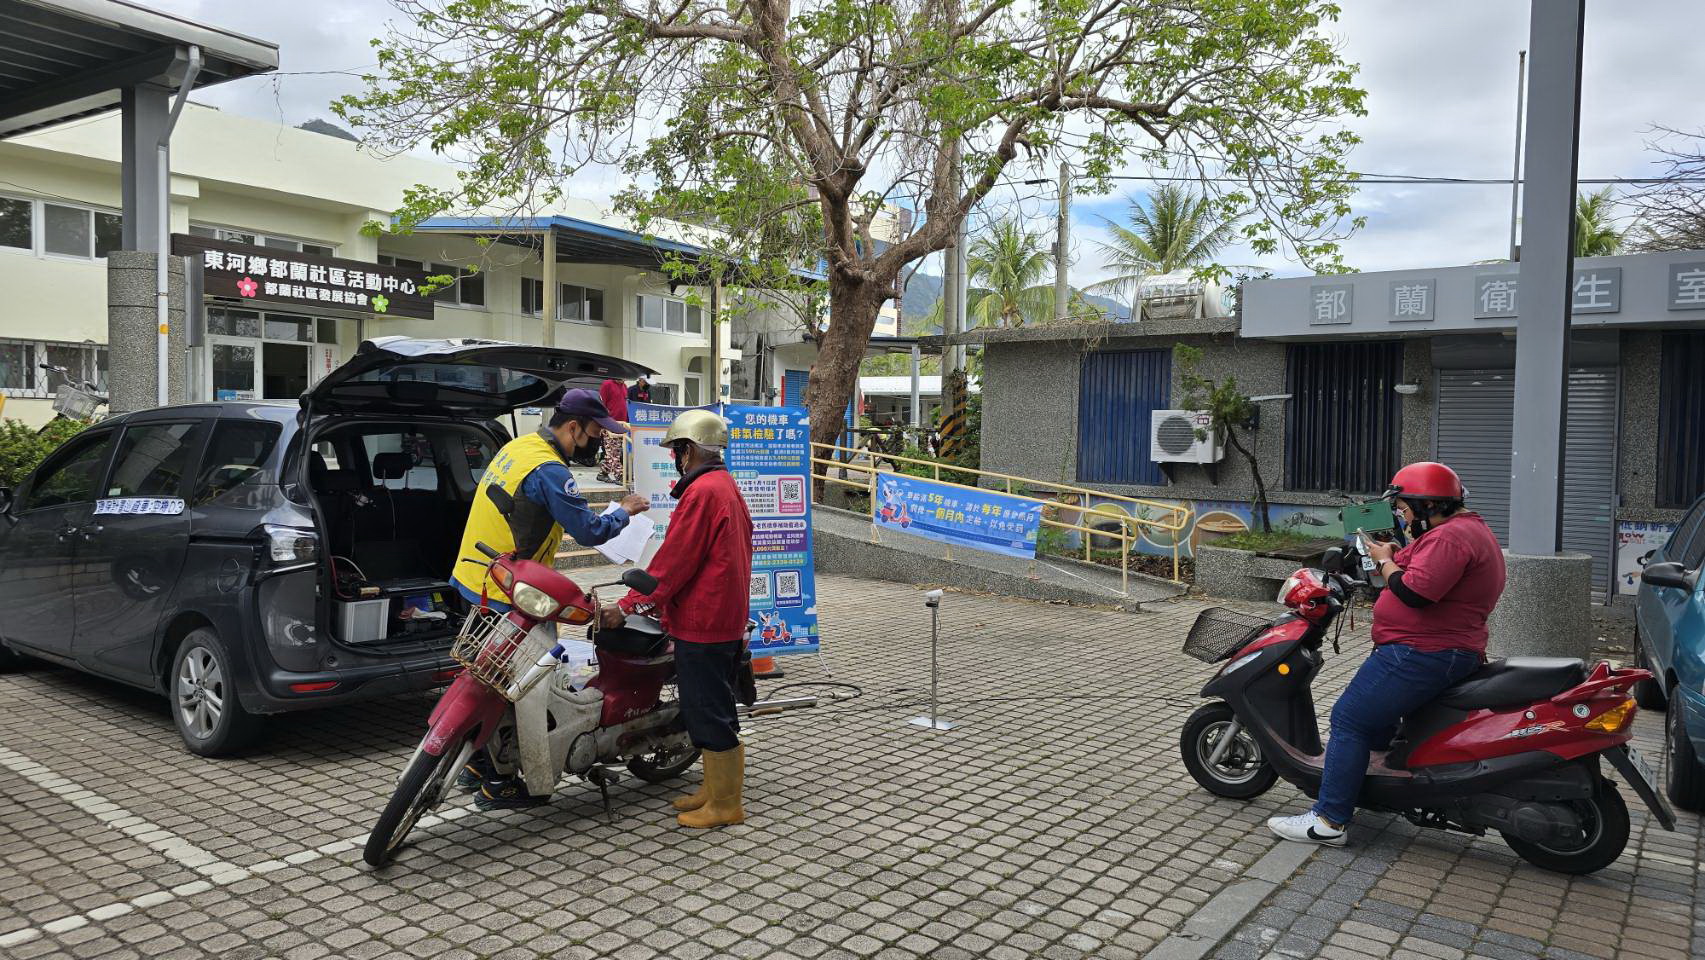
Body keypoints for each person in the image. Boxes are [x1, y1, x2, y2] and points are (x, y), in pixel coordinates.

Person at [1268, 461, 1505, 846]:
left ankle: (1328, 820)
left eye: (1405, 509)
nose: (1402, 517)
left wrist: (1384, 559)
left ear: (1428, 505)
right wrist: (1396, 554)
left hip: (1421, 652)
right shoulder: (1462, 531)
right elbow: (1424, 573)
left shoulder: (1450, 537)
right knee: (1376, 723)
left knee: (1350, 718)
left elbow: (1415, 593)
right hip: (1436, 648)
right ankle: (1371, 789)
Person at [452, 388, 649, 808]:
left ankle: (476, 765)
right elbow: (589, 531)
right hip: (510, 592)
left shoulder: (519, 447)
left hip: (476, 576)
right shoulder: (549, 469)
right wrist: (624, 511)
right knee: (518, 685)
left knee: (488, 677)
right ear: (573, 427)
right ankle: (499, 781)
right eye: (594, 433)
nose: (597, 442)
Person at [600, 408, 754, 828]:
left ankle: (726, 805)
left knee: (707, 710)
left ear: (688, 450)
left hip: (703, 623)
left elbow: (672, 563)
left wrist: (629, 605)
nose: (674, 458)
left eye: (676, 450)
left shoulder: (702, 492)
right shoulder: (724, 485)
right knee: (716, 706)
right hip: (723, 617)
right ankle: (715, 789)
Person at [597, 377, 630, 484]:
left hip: (621, 424)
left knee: (613, 451)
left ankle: (603, 473)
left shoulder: (624, 386)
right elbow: (601, 404)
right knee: (614, 452)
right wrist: (602, 423)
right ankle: (619, 475)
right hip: (609, 423)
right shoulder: (607, 384)